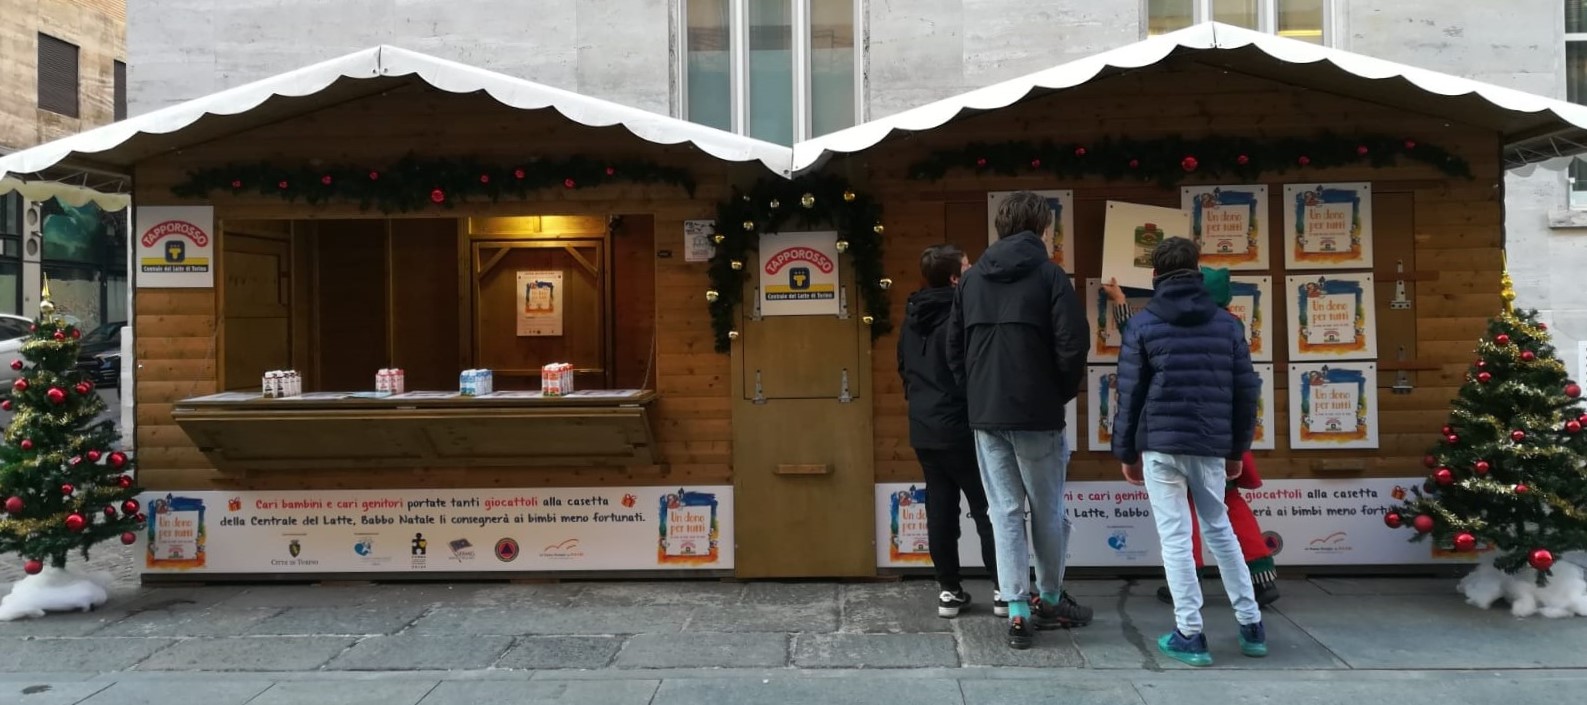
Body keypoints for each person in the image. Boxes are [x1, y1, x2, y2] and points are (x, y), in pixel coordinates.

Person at [947, 191, 1093, 650]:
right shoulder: (1050, 276)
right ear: (1042, 228)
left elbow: (953, 349)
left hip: (986, 413)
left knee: (1004, 511)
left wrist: (974, 395)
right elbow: (1072, 344)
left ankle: (1016, 609)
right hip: (1038, 412)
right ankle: (1049, 597)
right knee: (1047, 511)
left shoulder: (970, 282)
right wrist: (1058, 394)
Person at [1111, 236, 1266, 667]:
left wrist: (1126, 452)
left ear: (1155, 276)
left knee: (1177, 538)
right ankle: (1252, 625)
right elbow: (1244, 392)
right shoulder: (1227, 324)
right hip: (1211, 445)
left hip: (1160, 445)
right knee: (1221, 529)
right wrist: (1237, 448)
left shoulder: (1143, 324)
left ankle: (1190, 634)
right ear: (1197, 269)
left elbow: (1130, 395)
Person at [1102, 273, 1281, 607]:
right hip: (1217, 436)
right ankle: (1260, 577)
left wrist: (1120, 303)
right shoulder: (1230, 326)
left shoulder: (1170, 323)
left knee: (1180, 514)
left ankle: (1185, 583)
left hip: (1172, 436)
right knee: (1230, 508)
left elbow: (1136, 340)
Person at [898, 244, 1004, 619]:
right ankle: (1004, 590)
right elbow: (970, 371)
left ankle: (949, 591)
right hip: (962, 425)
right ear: (957, 277)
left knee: (940, 510)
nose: (972, 268)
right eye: (967, 265)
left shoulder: (911, 318)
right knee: (987, 509)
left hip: (924, 428)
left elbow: (904, 370)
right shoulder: (961, 315)